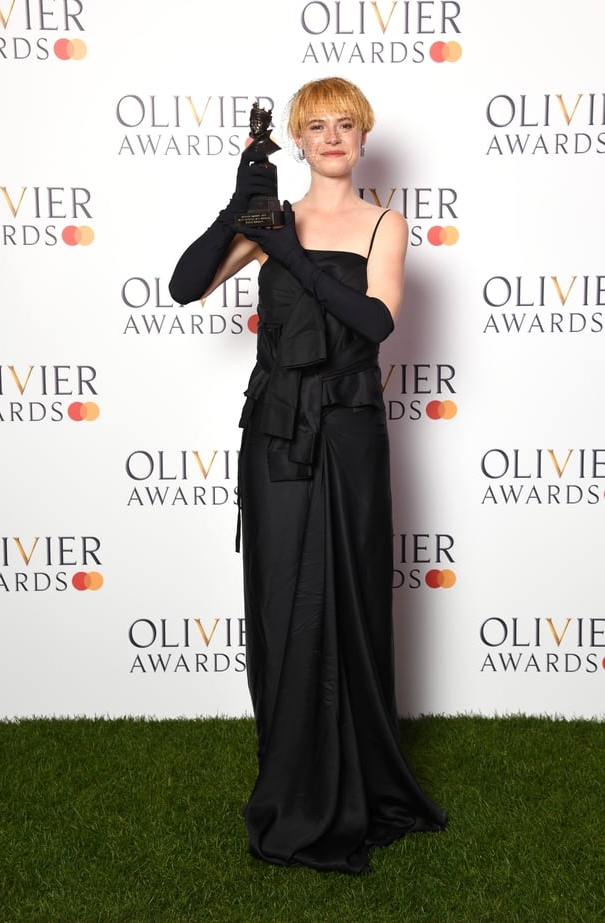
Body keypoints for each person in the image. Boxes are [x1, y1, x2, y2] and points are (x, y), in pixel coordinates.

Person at [169, 77, 446, 875]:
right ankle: (287, 777)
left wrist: (288, 250)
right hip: (277, 433)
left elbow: (376, 320)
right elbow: (187, 286)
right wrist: (238, 208)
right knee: (282, 593)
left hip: (351, 428)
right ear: (296, 139)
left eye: (345, 125)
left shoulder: (383, 224)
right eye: (316, 125)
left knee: (350, 595)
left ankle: (358, 782)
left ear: (363, 138)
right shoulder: (270, 220)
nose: (332, 137)